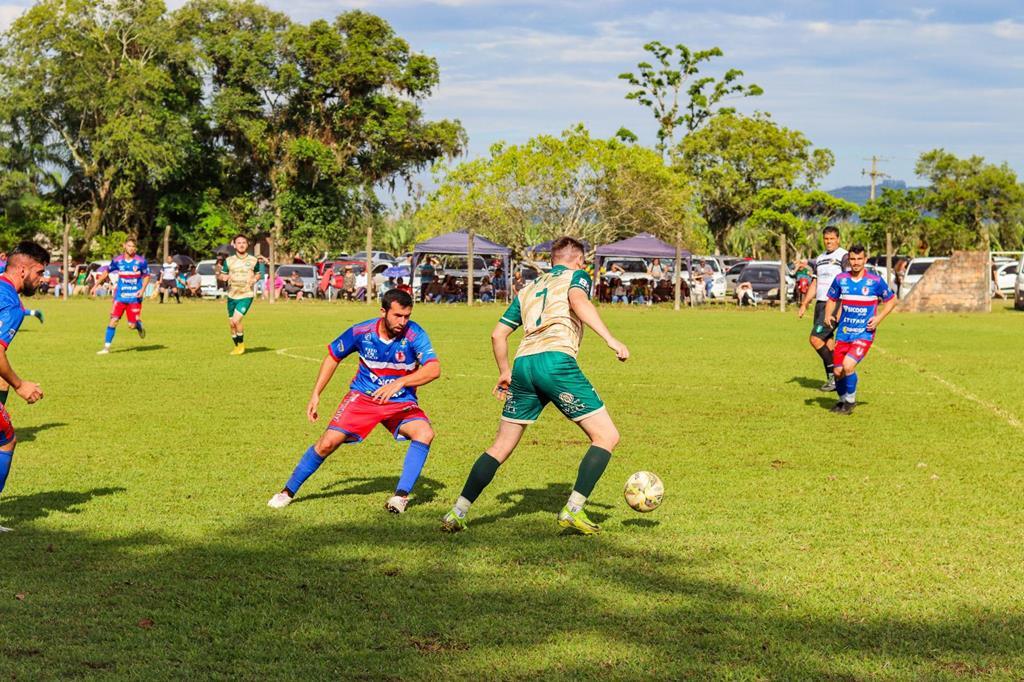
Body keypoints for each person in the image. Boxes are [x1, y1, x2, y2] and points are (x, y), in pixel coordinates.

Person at [440, 236, 630, 535]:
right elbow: (579, 301)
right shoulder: (577, 276)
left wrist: (504, 372)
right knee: (606, 436)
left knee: (501, 446)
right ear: (578, 260)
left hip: (523, 365)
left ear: (551, 260)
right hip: (555, 362)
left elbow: (497, 335)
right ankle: (574, 509)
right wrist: (610, 339)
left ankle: (457, 511)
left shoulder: (527, 289)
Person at [268, 289, 440, 514]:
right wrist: (316, 393)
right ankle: (287, 492)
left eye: (407, 316)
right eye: (397, 315)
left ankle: (400, 497)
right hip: (363, 398)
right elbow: (333, 356)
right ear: (383, 311)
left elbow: (434, 369)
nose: (403, 321)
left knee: (425, 433)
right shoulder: (361, 331)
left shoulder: (414, 334)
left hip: (400, 401)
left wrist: (400, 383)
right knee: (327, 443)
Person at [0, 242, 49, 531]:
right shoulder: (11, 304)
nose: (42, 279)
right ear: (22, 270)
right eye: (39, 272)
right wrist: (20, 385)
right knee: (5, 439)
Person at [824, 244, 896, 415]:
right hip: (844, 332)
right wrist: (828, 314)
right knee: (837, 371)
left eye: (859, 259)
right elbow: (832, 298)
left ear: (865, 260)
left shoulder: (875, 281)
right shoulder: (841, 279)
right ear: (849, 260)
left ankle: (850, 401)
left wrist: (878, 319)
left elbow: (891, 301)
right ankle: (842, 401)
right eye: (853, 259)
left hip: (864, 333)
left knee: (848, 366)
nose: (856, 263)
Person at [797, 226, 849, 391]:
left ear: (838, 239)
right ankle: (838, 378)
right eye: (826, 239)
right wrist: (805, 304)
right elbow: (815, 282)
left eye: (832, 238)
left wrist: (843, 305)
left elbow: (848, 281)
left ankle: (835, 377)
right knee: (828, 342)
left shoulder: (844, 255)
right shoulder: (819, 258)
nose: (829, 242)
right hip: (820, 304)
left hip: (834, 304)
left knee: (815, 339)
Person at [94, 238, 150, 354]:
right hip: (119, 297)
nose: (131, 248)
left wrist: (143, 289)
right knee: (113, 320)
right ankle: (106, 348)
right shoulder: (117, 260)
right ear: (124, 246)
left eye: (133, 247)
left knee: (131, 325)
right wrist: (96, 285)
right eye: (129, 246)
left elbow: (147, 276)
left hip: (134, 298)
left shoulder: (141, 261)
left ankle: (138, 326)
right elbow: (106, 272)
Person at [217, 234, 264, 355]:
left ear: (247, 244)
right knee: (231, 324)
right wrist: (224, 277)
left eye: (244, 242)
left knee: (237, 321)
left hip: (246, 295)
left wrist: (255, 278)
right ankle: (237, 346)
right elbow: (222, 275)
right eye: (239, 242)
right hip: (232, 295)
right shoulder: (229, 261)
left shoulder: (253, 260)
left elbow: (258, 273)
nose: (241, 245)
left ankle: (242, 346)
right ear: (234, 244)